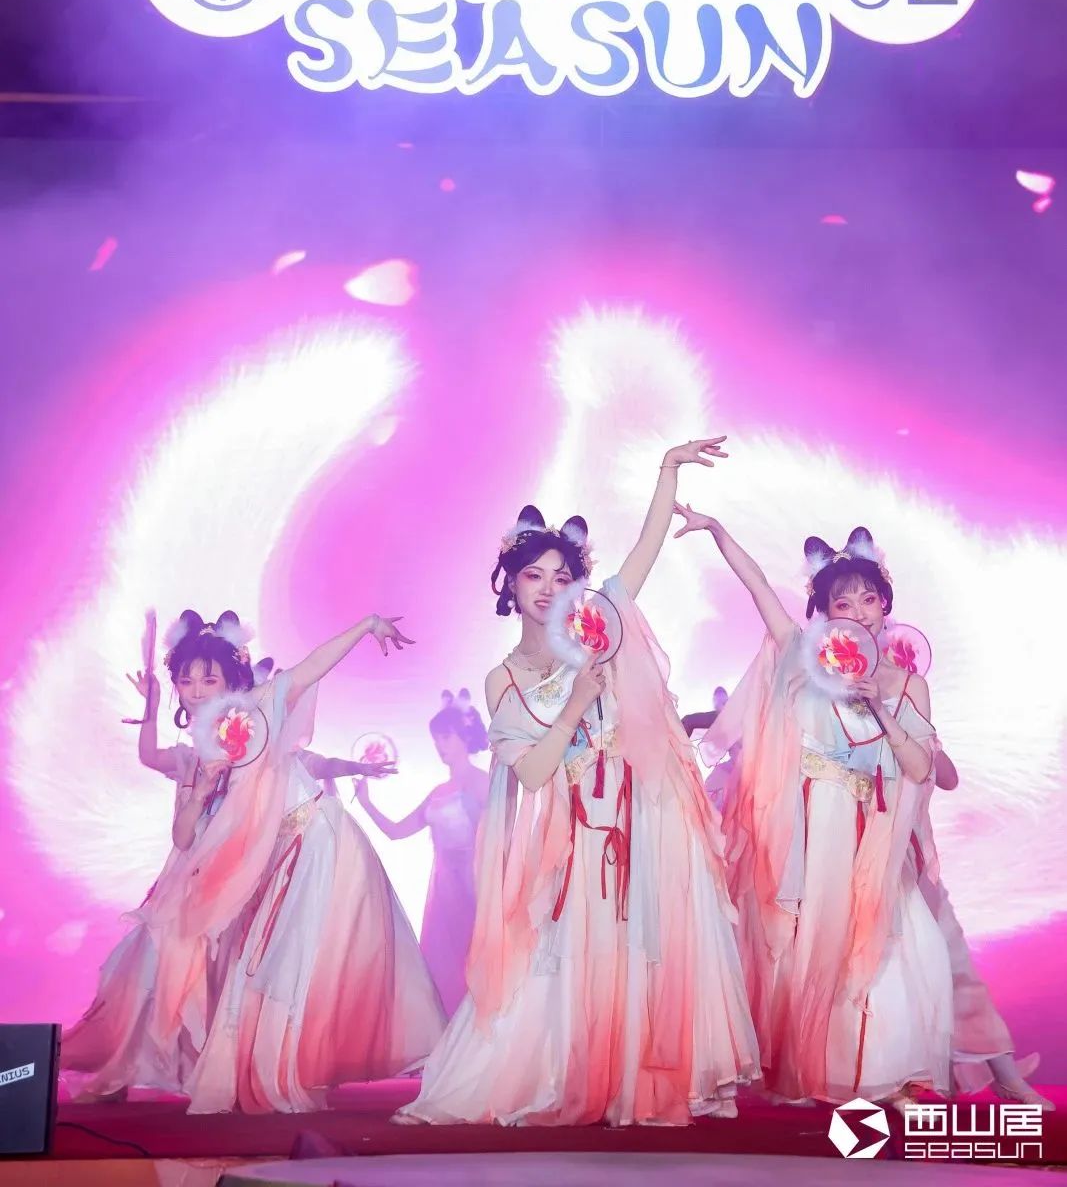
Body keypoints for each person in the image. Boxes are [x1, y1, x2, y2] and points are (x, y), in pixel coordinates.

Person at [397, 439, 761, 1128]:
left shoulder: (600, 627)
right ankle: (579, 1073)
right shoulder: (503, 679)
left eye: (560, 576)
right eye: (532, 575)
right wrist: (572, 708)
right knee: (574, 954)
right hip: (579, 828)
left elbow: (645, 553)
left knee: (653, 945)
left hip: (649, 810)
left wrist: (667, 469)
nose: (547, 587)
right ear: (509, 585)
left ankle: (646, 1081)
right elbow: (533, 772)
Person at [63, 606, 445, 1113]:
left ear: (232, 678)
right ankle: (251, 1069)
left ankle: (283, 1071)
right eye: (186, 681)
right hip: (265, 858)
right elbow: (184, 832)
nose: (196, 691)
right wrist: (189, 773)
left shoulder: (263, 705)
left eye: (209, 679)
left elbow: (313, 665)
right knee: (248, 964)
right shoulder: (201, 751)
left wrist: (365, 626)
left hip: (315, 838)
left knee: (292, 962)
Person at [679, 509, 955, 1106]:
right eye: (842, 603)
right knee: (817, 943)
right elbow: (759, 590)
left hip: (876, 828)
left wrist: (878, 705)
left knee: (890, 942)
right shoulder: (803, 658)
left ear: (885, 604)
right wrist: (719, 531)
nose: (857, 612)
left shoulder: (908, 684)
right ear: (825, 613)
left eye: (868, 600)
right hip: (816, 823)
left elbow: (918, 768)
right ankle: (823, 1069)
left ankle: (887, 1071)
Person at [915, 750, 1053, 1108]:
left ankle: (1002, 1074)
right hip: (865, 871)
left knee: (956, 970)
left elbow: (948, 778)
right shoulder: (843, 723)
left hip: (914, 867)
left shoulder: (906, 721)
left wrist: (917, 735)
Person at [356, 704, 491, 1014]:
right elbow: (396, 832)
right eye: (436, 739)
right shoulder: (438, 792)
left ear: (464, 737)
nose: (440, 746)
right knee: (440, 971)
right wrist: (365, 802)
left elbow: (500, 836)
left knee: (474, 966)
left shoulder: (483, 783)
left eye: (446, 737)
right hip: (442, 895)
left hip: (475, 888)